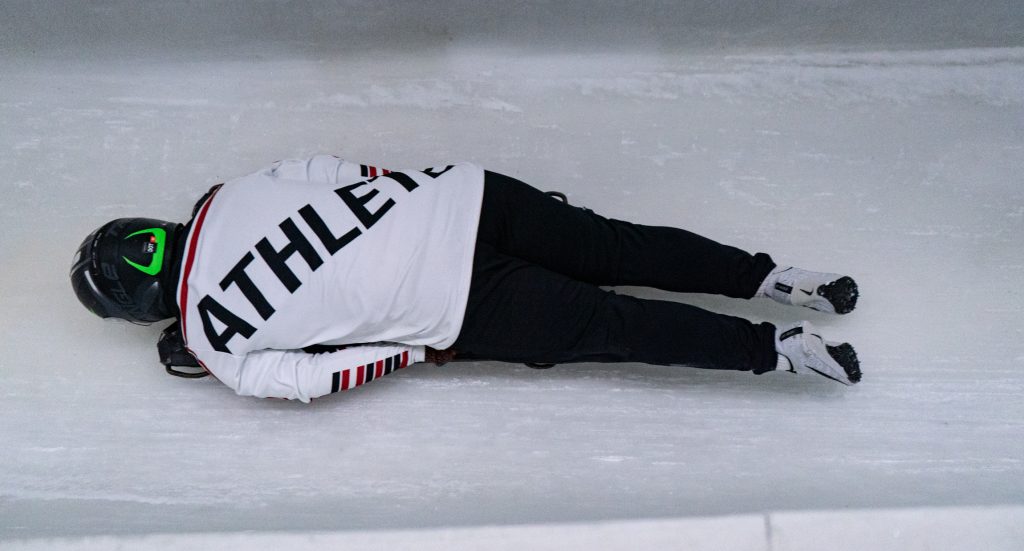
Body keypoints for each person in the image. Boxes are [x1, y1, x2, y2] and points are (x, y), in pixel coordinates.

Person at [70, 155, 861, 402]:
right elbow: (336, 171)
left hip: (456, 302)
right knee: (619, 246)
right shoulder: (227, 193)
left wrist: (418, 351)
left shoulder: (215, 346)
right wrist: (425, 184)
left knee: (615, 325)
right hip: (468, 196)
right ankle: (777, 278)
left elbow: (318, 379)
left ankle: (780, 349)